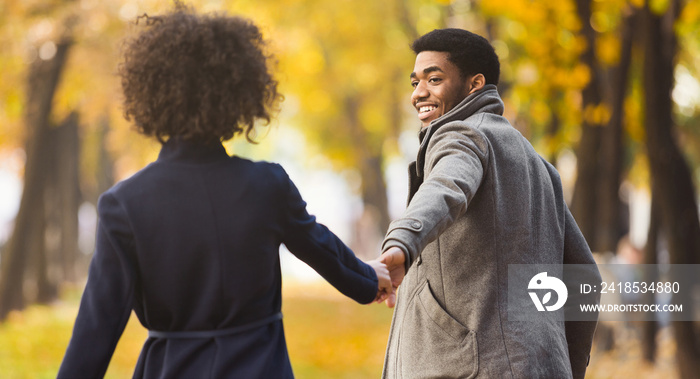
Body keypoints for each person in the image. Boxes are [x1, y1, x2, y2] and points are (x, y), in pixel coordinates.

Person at [57, 5, 390, 378]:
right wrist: (367, 278)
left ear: (150, 96)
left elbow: (97, 326)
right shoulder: (268, 185)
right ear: (239, 94)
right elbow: (321, 248)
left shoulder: (124, 205)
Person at [378, 28, 600, 378]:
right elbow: (585, 274)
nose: (419, 93)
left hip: (471, 367)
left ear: (474, 84)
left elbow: (447, 185)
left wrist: (404, 238)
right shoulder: (540, 166)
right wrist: (563, 364)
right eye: (415, 82)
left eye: (434, 79)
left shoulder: (462, 135)